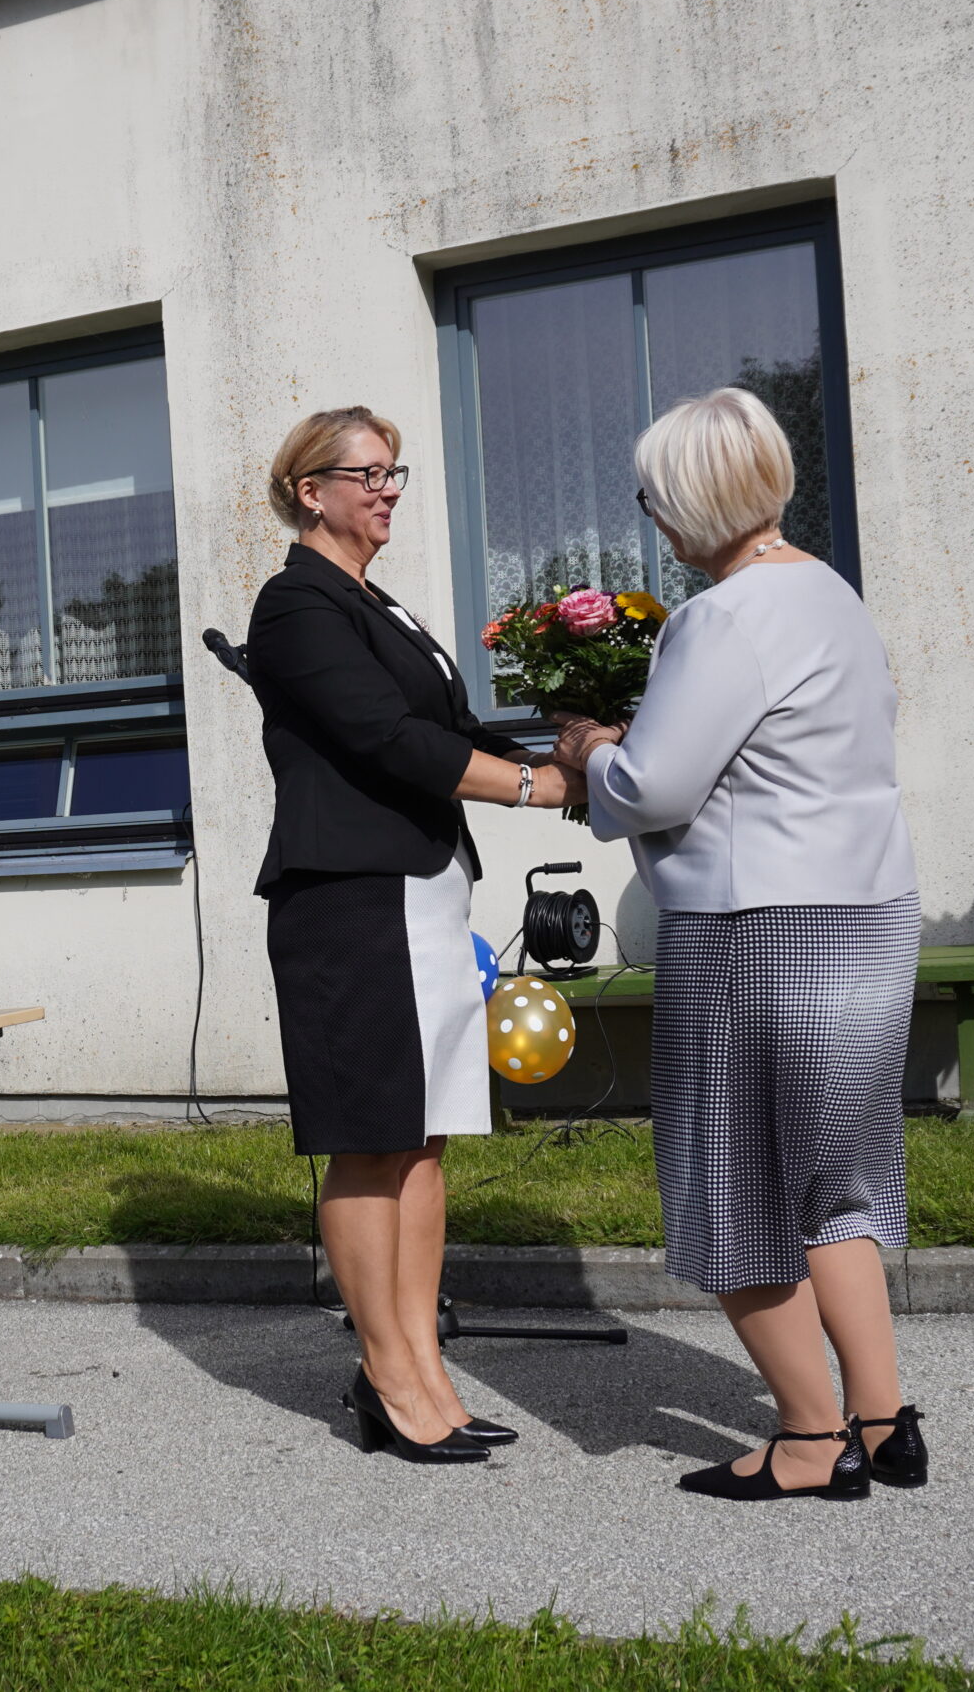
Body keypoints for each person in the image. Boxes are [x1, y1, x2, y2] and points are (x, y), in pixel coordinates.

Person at [551, 387, 924, 1501]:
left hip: (755, 926)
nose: (653, 519)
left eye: (652, 498)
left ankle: (810, 1440)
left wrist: (591, 752)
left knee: (729, 1186)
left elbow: (656, 784)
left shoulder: (721, 616)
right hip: (867, 911)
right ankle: (881, 1418)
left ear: (689, 500)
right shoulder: (829, 592)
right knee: (835, 1182)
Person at [244, 406, 582, 1465]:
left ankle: (424, 1367)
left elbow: (451, 730)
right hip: (350, 903)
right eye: (370, 474)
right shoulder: (296, 605)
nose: (389, 489)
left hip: (424, 893)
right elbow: (388, 741)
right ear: (311, 491)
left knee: (425, 1136)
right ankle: (387, 1375)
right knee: (370, 1137)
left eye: (396, 473)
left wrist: (573, 746)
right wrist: (534, 787)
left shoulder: (374, 603)